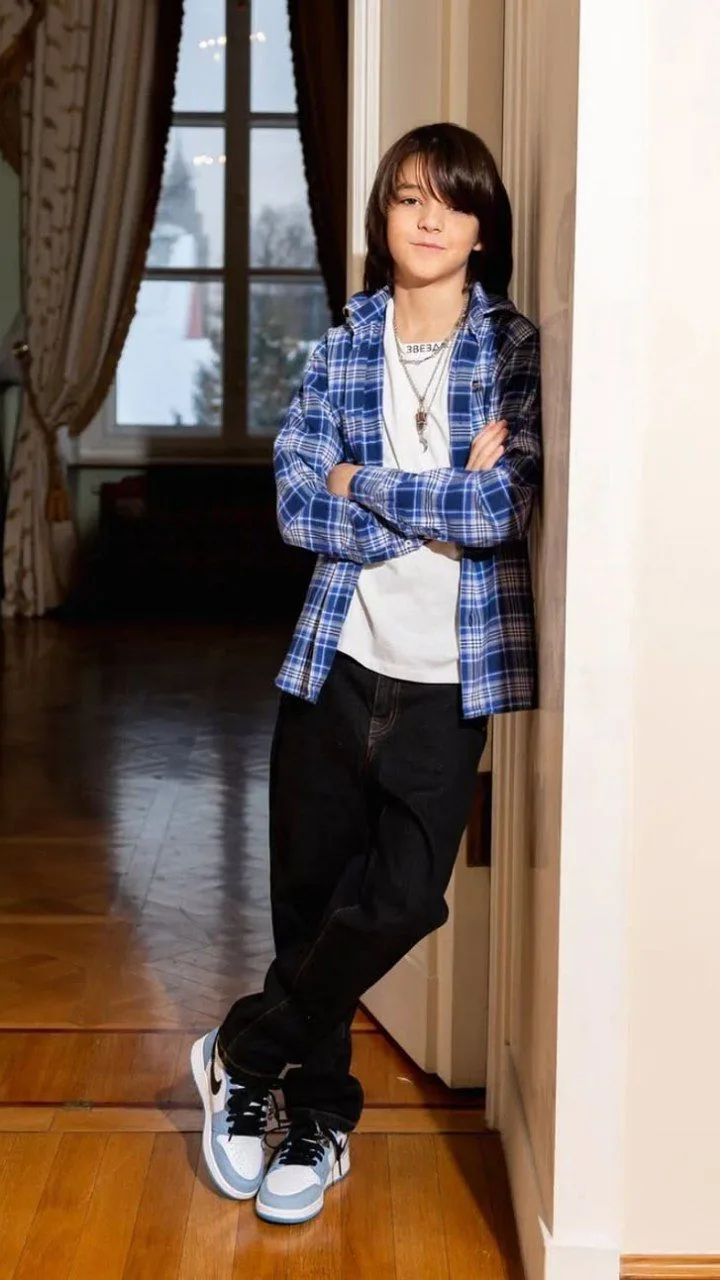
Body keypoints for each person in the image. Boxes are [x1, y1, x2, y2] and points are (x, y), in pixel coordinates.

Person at [191, 122, 541, 1225]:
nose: (428, 218)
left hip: (449, 678)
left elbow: (501, 507)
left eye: (453, 200)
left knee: (399, 898)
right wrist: (431, 498)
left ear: (483, 229)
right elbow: (299, 505)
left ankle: (241, 1050)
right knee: (311, 905)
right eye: (408, 197)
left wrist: (365, 480)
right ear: (383, 215)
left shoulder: (514, 349)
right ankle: (315, 1114)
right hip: (336, 659)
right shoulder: (343, 343)